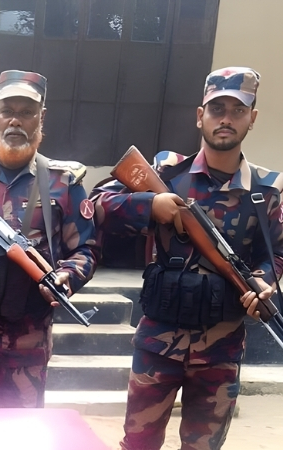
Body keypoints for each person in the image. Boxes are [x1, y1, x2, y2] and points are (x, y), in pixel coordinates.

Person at [90, 67, 282, 450]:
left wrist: (263, 281)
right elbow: (96, 205)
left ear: (252, 118)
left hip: (221, 350)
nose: (226, 119)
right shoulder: (167, 171)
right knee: (138, 443)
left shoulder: (267, 190)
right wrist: (150, 205)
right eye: (217, 109)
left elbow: (277, 252)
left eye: (238, 110)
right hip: (157, 343)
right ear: (200, 115)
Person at [0, 70, 98, 408]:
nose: (15, 121)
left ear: (41, 117)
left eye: (26, 112)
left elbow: (86, 249)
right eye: (7, 111)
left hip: (25, 350)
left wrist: (66, 275)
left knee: (19, 432)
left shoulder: (63, 182)